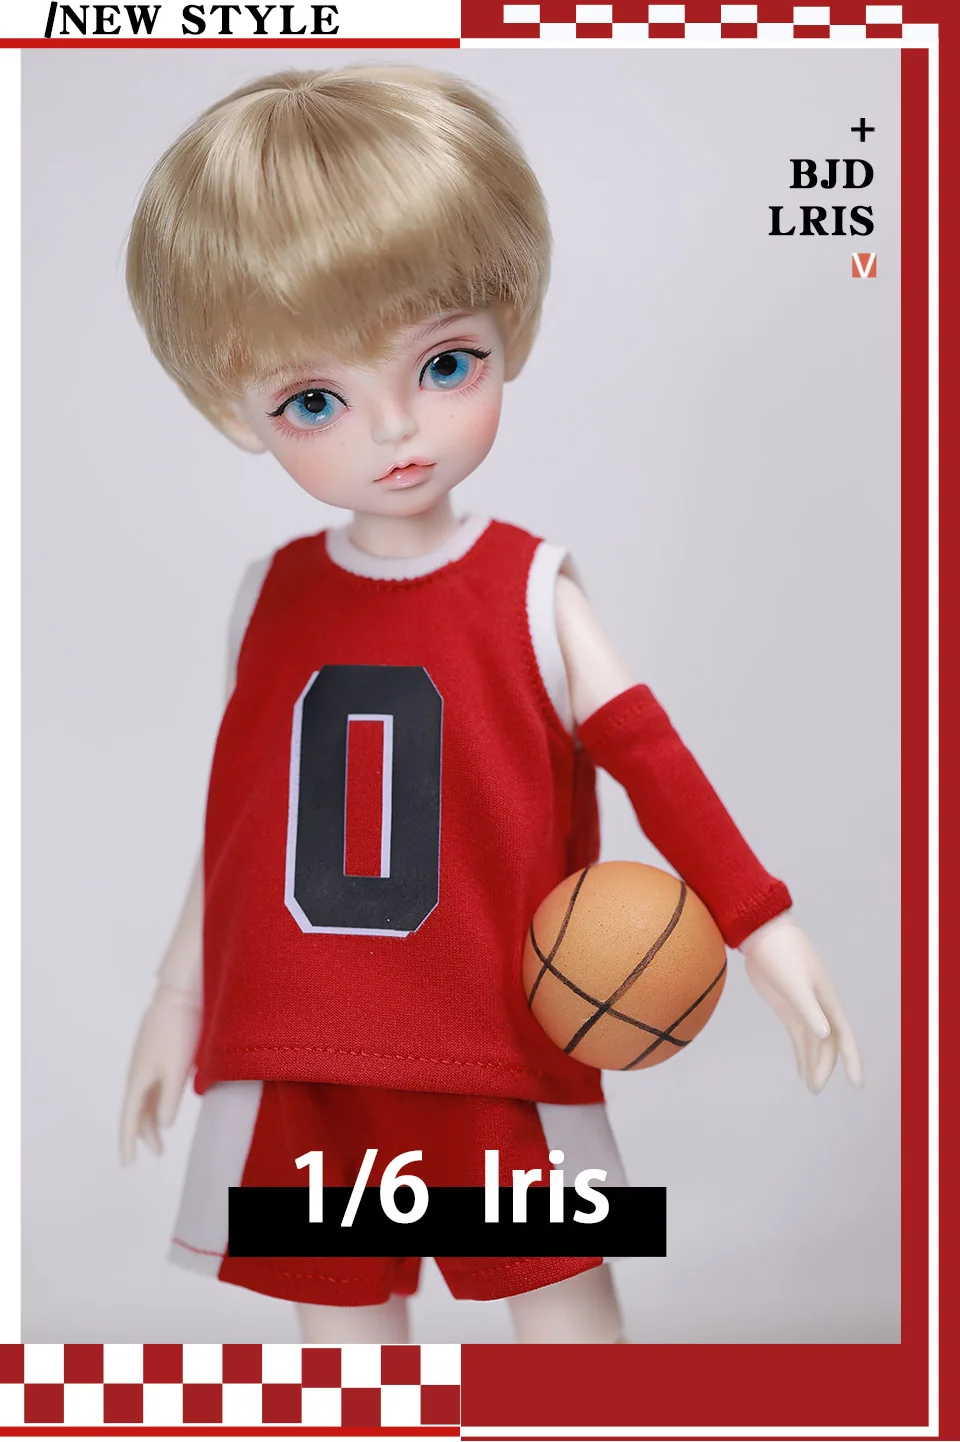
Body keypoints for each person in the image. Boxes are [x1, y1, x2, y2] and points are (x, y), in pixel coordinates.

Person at [119, 65, 862, 1344]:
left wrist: (762, 925)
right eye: (315, 400)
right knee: (343, 1352)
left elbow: (653, 757)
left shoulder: (529, 587)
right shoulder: (268, 598)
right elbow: (240, 833)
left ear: (508, 326)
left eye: (444, 362)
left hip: (497, 1045)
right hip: (305, 1049)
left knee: (568, 1332)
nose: (395, 429)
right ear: (232, 411)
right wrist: (176, 998)